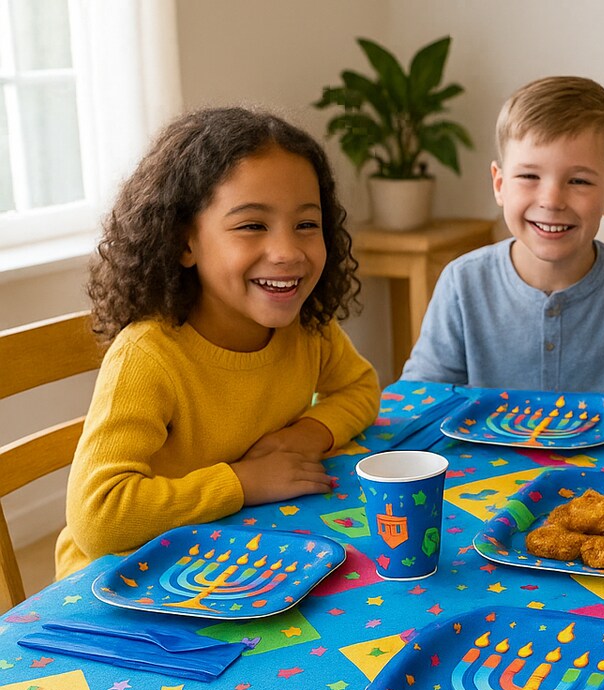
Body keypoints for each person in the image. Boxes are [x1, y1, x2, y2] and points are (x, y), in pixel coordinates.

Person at [55, 107, 380, 579]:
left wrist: (302, 437)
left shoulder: (307, 327)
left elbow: (360, 388)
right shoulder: (148, 356)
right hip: (121, 581)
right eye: (252, 225)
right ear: (185, 242)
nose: (288, 252)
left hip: (238, 552)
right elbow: (100, 518)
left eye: (307, 225)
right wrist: (243, 482)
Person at [401, 76, 604, 398]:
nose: (551, 200)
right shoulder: (462, 283)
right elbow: (419, 402)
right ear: (500, 185)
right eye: (528, 176)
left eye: (578, 181)